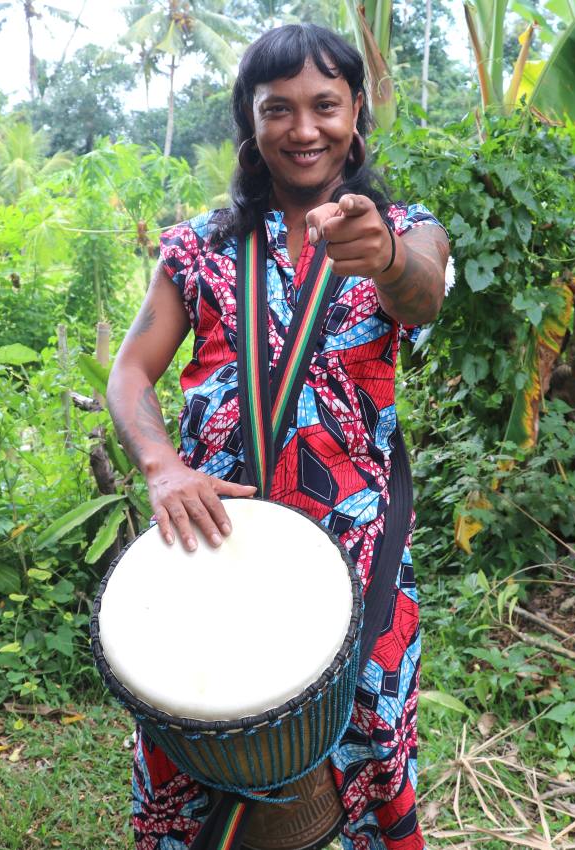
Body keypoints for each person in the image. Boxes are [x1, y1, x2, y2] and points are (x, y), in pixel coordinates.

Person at [106, 23, 449, 850]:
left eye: (325, 105)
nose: (304, 129)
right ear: (249, 121)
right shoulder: (199, 247)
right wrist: (161, 466)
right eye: (279, 109)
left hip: (358, 557)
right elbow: (129, 374)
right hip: (217, 551)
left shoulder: (404, 227)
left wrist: (387, 256)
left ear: (357, 111)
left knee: (364, 751)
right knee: (198, 733)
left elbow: (425, 293)